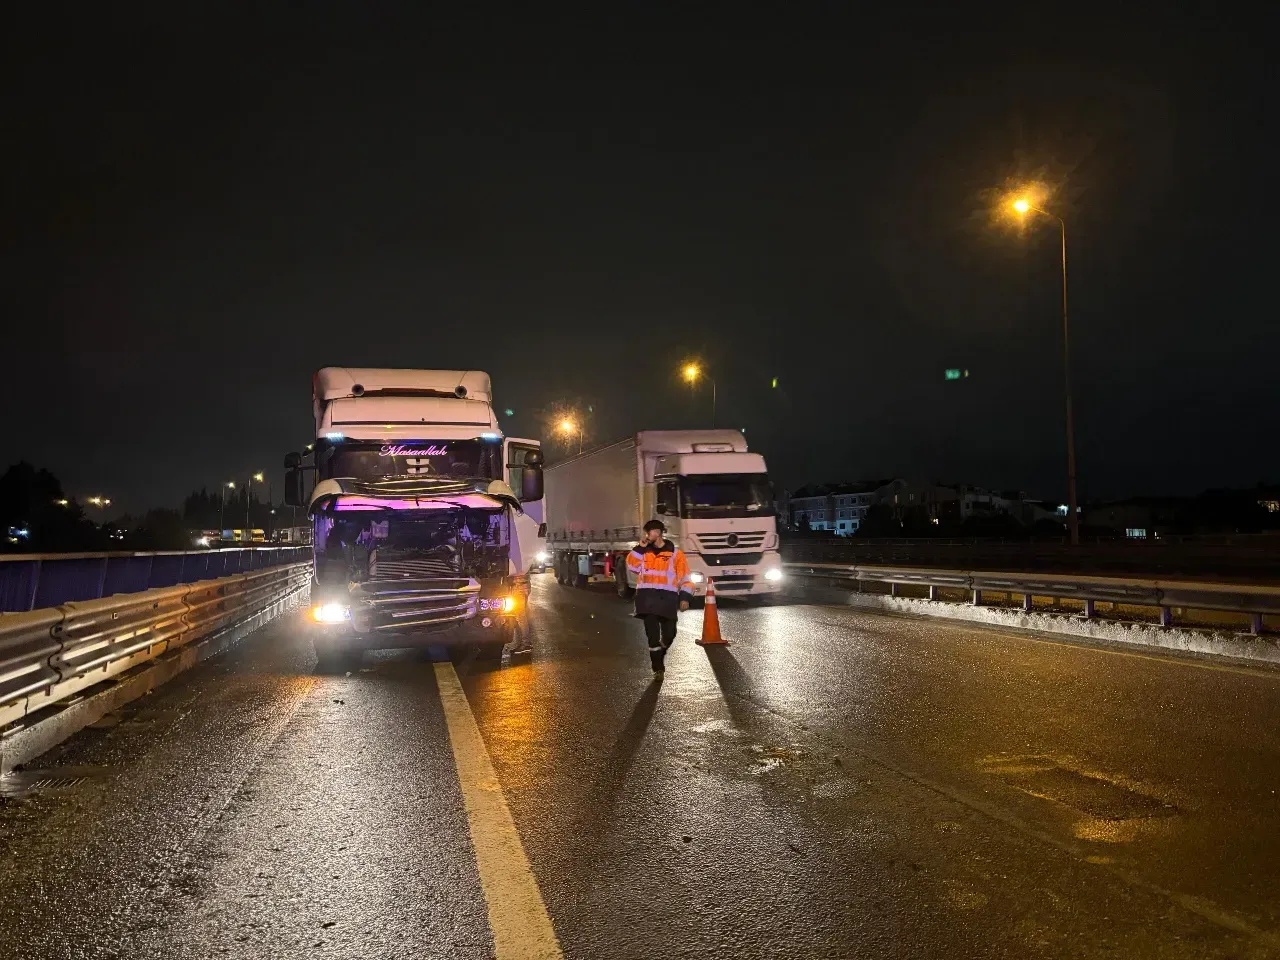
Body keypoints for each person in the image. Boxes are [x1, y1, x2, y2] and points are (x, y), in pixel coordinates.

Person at [625, 519, 694, 672]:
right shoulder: (643, 552)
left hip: (667, 600)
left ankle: (659, 654)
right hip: (647, 600)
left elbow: (685, 579)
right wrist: (640, 548)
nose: (647, 535)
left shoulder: (676, 555)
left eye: (649, 532)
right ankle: (658, 668)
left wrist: (684, 598)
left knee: (670, 634)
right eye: (646, 532)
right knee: (652, 637)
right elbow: (631, 566)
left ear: (658, 532)